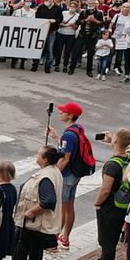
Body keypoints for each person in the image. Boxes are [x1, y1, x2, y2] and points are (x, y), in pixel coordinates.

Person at [8, 147, 63, 260]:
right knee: (35, 251)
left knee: (20, 252)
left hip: (33, 223)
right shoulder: (54, 171)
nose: (36, 156)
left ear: (45, 159)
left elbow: (48, 200)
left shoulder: (46, 177)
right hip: (39, 224)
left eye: (38, 154)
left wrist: (31, 212)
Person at [84, 129, 130, 260]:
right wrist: (114, 140)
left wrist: (97, 202)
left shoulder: (112, 165)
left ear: (115, 142)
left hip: (109, 207)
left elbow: (106, 189)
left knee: (107, 241)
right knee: (110, 238)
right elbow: (129, 146)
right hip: (122, 205)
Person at [52, 101, 88, 248]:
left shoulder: (68, 135)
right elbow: (69, 148)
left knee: (61, 208)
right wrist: (56, 137)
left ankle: (55, 239)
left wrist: (53, 173)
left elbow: (65, 159)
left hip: (66, 175)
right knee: (69, 206)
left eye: (63, 111)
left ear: (71, 115)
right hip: (75, 174)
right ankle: (65, 236)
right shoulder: (77, 128)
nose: (60, 113)